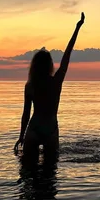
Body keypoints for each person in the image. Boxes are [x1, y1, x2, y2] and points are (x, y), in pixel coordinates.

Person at [13, 12, 85, 164]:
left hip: (33, 129)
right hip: (50, 129)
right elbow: (67, 56)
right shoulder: (56, 82)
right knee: (50, 177)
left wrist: (21, 136)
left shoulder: (30, 86)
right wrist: (77, 28)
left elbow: (26, 114)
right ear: (49, 65)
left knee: (27, 176)